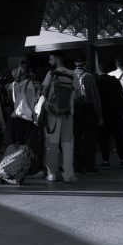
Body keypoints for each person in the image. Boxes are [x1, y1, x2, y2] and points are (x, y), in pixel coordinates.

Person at [40, 51, 77, 183]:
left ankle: (52, 174)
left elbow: (44, 92)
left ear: (57, 59)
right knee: (67, 145)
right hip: (68, 114)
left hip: (52, 114)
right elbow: (78, 94)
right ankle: (68, 175)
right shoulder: (73, 74)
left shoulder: (51, 74)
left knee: (51, 144)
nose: (49, 61)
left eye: (51, 59)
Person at [7, 61, 44, 177]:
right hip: (26, 117)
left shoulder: (14, 84)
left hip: (16, 116)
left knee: (18, 145)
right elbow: (29, 101)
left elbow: (14, 101)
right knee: (29, 145)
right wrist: (34, 115)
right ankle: (30, 170)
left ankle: (16, 168)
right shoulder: (28, 83)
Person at [96, 61, 123, 169]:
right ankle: (122, 159)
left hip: (103, 113)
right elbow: (121, 97)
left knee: (104, 139)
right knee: (119, 137)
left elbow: (96, 98)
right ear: (108, 70)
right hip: (116, 113)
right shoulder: (115, 81)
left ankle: (105, 161)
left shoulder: (97, 81)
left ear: (99, 70)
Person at [73, 58, 102, 174]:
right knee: (90, 139)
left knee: (76, 140)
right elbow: (95, 98)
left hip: (74, 110)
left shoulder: (70, 75)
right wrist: (99, 115)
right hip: (87, 109)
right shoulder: (88, 76)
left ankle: (77, 166)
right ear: (85, 65)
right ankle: (89, 166)